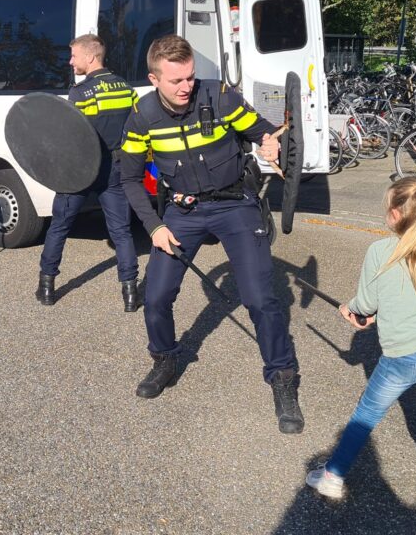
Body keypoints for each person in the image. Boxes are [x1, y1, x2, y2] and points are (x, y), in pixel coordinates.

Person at [119, 34, 303, 434]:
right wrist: (155, 227)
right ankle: (165, 358)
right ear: (154, 79)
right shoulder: (142, 116)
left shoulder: (221, 97)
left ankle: (282, 376)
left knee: (260, 298)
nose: (186, 87)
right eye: (175, 81)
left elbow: (265, 133)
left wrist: (270, 145)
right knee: (156, 296)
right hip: (182, 213)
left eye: (190, 77)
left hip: (236, 205)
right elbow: (130, 179)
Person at [306, 177, 416, 531]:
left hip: (401, 358)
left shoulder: (380, 251)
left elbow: (365, 303)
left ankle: (332, 476)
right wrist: (381, 312)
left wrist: (353, 310)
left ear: (395, 214)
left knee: (365, 416)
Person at [36, 34, 140, 311]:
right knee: (121, 231)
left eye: (74, 56)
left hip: (80, 171)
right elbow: (135, 127)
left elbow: (73, 138)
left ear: (91, 57)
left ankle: (46, 286)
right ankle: (130, 292)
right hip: (115, 168)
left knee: (60, 226)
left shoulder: (80, 92)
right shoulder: (126, 88)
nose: (71, 62)